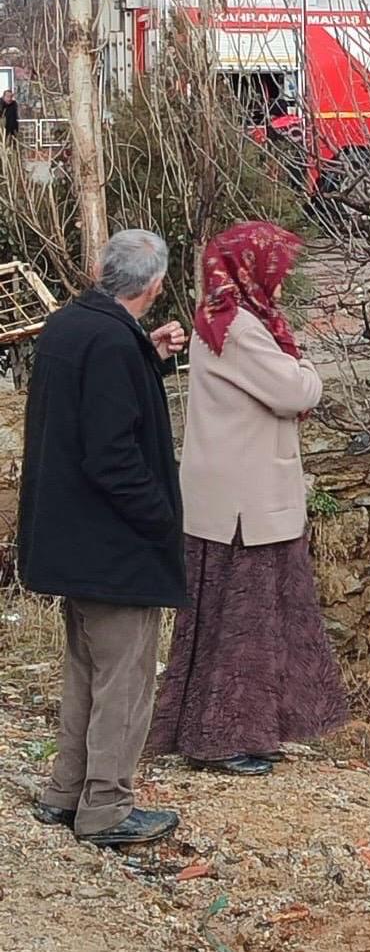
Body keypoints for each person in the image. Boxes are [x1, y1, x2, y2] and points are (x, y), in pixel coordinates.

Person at [148, 221, 346, 776]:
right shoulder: (240, 327)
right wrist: (306, 366)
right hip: (246, 506)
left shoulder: (224, 320)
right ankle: (222, 739)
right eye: (277, 269)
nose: (283, 281)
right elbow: (296, 391)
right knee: (245, 624)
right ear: (251, 270)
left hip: (235, 499)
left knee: (235, 621)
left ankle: (244, 731)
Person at [18, 230, 189, 847]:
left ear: (100, 270)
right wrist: (161, 519)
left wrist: (150, 353)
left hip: (69, 539)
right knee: (124, 680)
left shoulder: (71, 326)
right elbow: (112, 454)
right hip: (113, 544)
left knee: (85, 671)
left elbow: (88, 403)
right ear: (154, 285)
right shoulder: (113, 344)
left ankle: (66, 793)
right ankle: (107, 809)